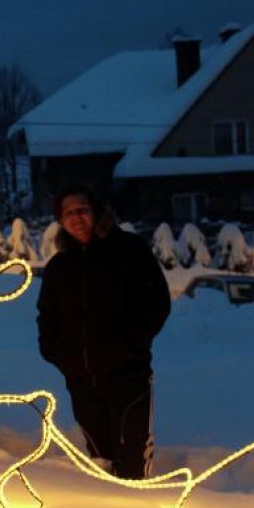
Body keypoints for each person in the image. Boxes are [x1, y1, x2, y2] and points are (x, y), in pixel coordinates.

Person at [36, 186, 170, 480]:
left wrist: (129, 346)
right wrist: (56, 353)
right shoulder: (60, 266)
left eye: (81, 209)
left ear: (96, 211)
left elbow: (155, 304)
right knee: (99, 457)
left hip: (128, 375)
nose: (76, 218)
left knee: (132, 456)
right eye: (67, 213)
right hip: (82, 380)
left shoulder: (129, 251)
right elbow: (47, 316)